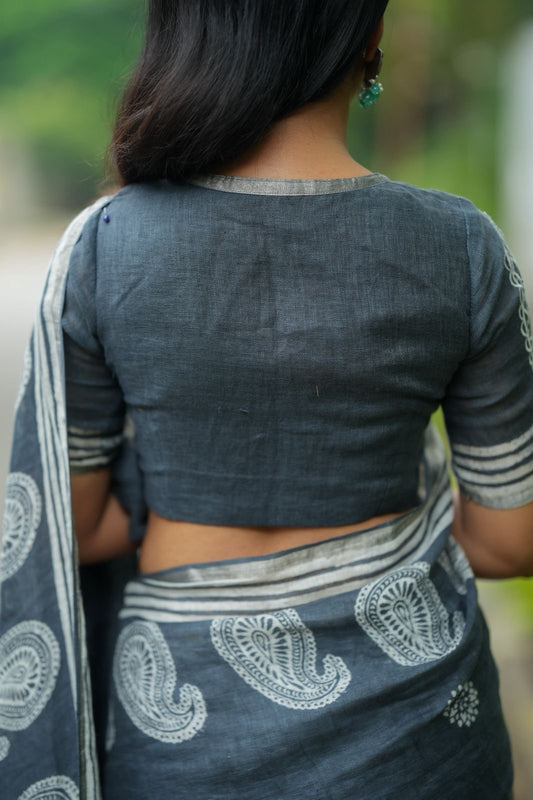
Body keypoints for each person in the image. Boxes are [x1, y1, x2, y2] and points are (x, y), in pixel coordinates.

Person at [1, 2, 532, 798]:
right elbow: (508, 541)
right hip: (419, 741)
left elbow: (72, 526)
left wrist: (192, 491)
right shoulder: (461, 247)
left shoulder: (102, 248)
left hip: (182, 738)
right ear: (368, 42)